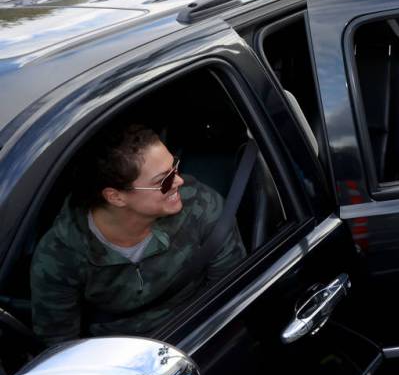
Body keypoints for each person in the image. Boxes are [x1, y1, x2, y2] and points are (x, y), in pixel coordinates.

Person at [31, 123, 246, 344]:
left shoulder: (203, 207)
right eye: (163, 180)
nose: (179, 181)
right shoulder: (60, 255)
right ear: (116, 197)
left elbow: (227, 291)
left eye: (175, 167)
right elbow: (59, 341)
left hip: (196, 334)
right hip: (116, 358)